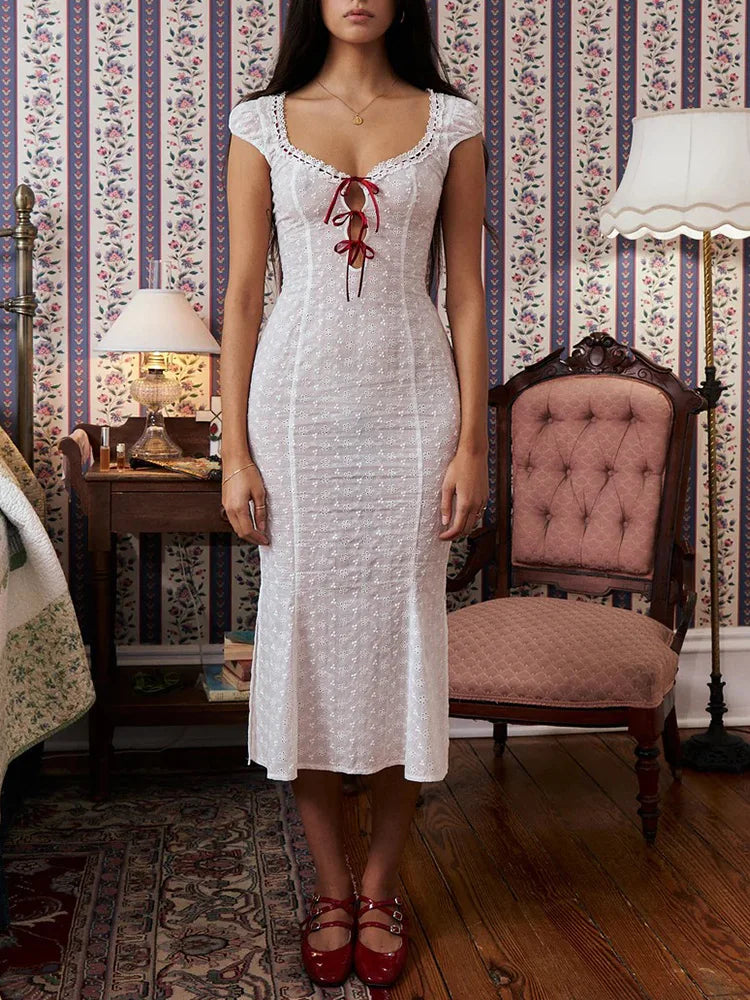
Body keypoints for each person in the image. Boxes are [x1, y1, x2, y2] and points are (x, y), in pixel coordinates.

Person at [220, 0, 496, 988]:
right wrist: (233, 451)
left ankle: (382, 883)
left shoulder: (453, 122)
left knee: (400, 642)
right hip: (295, 415)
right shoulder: (258, 122)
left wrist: (473, 443)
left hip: (413, 412)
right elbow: (243, 295)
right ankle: (331, 886)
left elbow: (466, 292)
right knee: (300, 639)